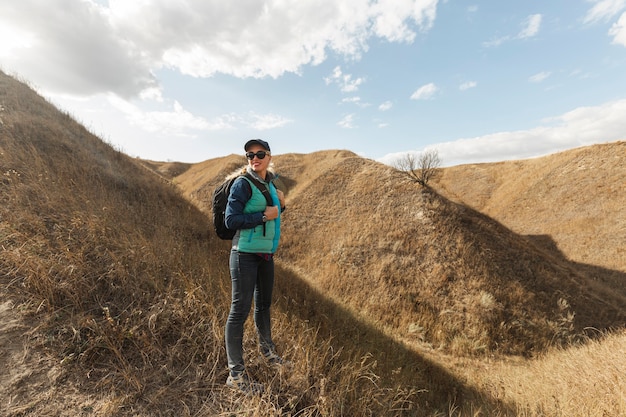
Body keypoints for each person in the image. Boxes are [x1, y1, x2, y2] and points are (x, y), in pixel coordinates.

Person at [224, 139, 287, 393]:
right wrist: (263, 215)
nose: (254, 158)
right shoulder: (242, 183)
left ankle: (268, 354)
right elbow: (231, 220)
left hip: (265, 255)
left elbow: (274, 215)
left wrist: (281, 205)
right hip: (244, 255)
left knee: (263, 306)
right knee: (239, 311)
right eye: (250, 154)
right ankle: (236, 376)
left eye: (260, 153)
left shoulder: (270, 183)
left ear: (269, 156)